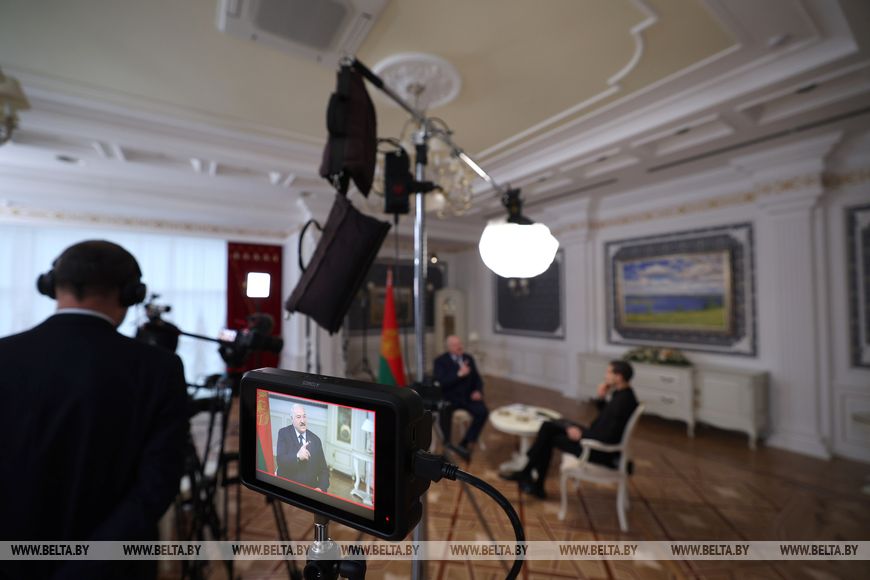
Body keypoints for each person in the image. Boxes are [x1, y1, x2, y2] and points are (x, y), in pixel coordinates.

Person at [0, 240, 189, 580]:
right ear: (131, 293)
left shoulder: (5, 355)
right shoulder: (159, 368)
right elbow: (156, 484)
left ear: (50, 285)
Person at [501, 360, 639, 499]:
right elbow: (606, 418)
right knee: (549, 425)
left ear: (618, 377)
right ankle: (530, 477)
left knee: (549, 436)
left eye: (609, 372)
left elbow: (609, 437)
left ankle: (530, 476)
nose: (605, 376)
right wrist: (601, 397)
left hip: (597, 450)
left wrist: (582, 435)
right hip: (594, 436)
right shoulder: (623, 395)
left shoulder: (623, 402)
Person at [433, 335, 489, 460]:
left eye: (460, 344)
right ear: (448, 348)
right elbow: (441, 382)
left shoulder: (468, 358)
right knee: (444, 413)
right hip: (450, 399)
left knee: (483, 412)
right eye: (455, 345)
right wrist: (459, 374)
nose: (459, 347)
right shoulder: (440, 361)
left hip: (468, 397)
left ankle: (465, 442)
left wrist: (478, 391)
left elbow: (477, 379)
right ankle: (447, 444)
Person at [276, 404, 330, 492]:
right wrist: (297, 456)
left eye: (304, 416)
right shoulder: (283, 433)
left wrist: (321, 488)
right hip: (289, 489)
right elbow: (280, 461)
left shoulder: (316, 440)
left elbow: (323, 470)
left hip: (311, 490)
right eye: (298, 417)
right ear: (292, 419)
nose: (302, 420)